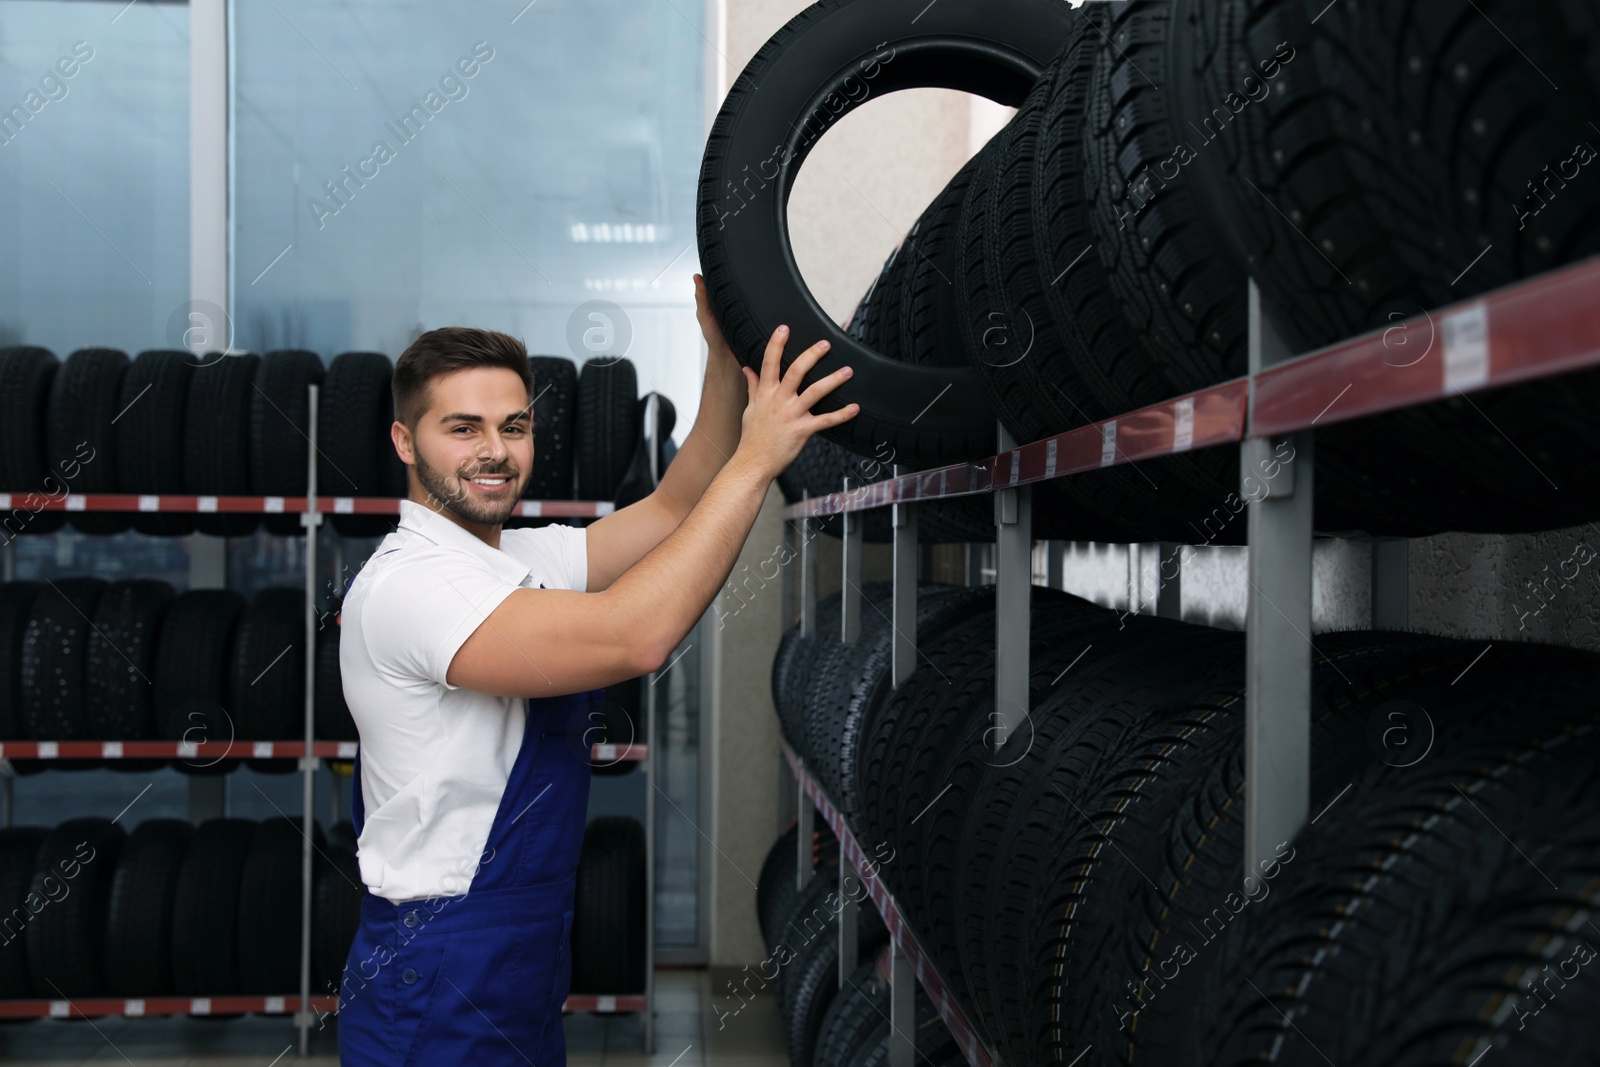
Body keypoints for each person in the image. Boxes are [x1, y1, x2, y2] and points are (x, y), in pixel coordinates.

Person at [334, 273, 858, 1066]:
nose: (494, 452)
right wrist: (759, 460)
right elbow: (636, 636)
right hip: (437, 966)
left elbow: (676, 507)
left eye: (513, 426)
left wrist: (720, 355)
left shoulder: (518, 554)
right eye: (462, 428)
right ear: (406, 442)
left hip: (521, 952)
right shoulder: (411, 585)